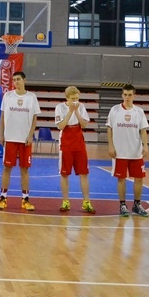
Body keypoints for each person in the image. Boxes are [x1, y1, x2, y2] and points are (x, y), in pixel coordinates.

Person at [0, 71, 41, 211]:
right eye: (14, 80)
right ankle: (3, 198)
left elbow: (34, 118)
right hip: (10, 138)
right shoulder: (8, 96)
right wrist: (1, 134)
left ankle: (25, 200)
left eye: (18, 79)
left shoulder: (32, 97)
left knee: (24, 169)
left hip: (25, 139)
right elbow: (2, 116)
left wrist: (30, 135)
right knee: (7, 168)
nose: (16, 82)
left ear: (24, 80)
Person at [106, 84, 149, 217]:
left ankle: (137, 204)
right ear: (122, 95)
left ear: (134, 96)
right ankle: (123, 205)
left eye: (130, 95)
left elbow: (143, 130)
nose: (127, 97)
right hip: (120, 152)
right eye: (125, 94)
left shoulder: (139, 111)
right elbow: (109, 128)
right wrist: (110, 146)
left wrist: (145, 145)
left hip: (136, 152)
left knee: (139, 178)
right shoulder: (114, 110)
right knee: (121, 179)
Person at [55, 86, 96, 214]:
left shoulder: (81, 107)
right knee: (64, 173)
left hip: (79, 143)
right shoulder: (60, 107)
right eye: (73, 99)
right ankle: (65, 201)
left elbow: (84, 124)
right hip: (66, 143)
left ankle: (86, 201)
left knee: (84, 173)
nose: (75, 101)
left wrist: (77, 111)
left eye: (77, 98)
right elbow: (61, 126)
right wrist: (70, 111)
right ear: (67, 98)